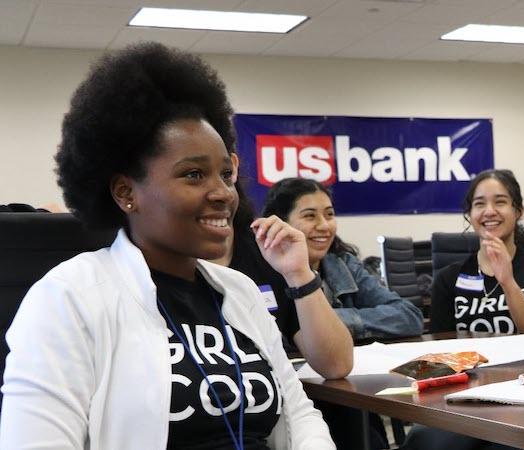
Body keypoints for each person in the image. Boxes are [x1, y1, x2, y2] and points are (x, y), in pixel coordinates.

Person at [0, 42, 334, 449]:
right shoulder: (69, 298)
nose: (223, 193)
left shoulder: (240, 291)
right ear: (126, 192)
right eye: (194, 175)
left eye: (226, 175)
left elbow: (299, 415)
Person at [215, 182, 354, 380]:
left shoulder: (270, 252)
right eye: (193, 176)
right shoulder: (157, 269)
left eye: (225, 175)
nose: (217, 193)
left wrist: (299, 273)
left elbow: (337, 365)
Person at [260, 177, 424, 340]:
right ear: (279, 224)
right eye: (310, 216)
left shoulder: (343, 264)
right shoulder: (261, 271)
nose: (324, 225)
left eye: (329, 214)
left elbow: (409, 316)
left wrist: (330, 321)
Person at [429, 169, 524, 335]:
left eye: (500, 202)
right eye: (479, 204)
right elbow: (439, 347)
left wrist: (508, 283)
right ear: (470, 214)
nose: (489, 211)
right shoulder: (448, 278)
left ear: (518, 211)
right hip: (472, 361)